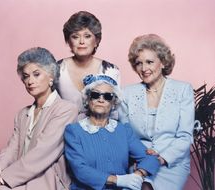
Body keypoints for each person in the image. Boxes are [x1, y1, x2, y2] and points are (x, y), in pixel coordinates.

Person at [0, 47, 78, 190]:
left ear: (51, 76)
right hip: (18, 176)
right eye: (26, 76)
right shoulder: (23, 114)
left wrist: (2, 177)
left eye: (36, 74)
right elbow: (12, 148)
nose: (30, 81)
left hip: (47, 178)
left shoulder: (66, 109)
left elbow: (43, 152)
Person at [118, 34, 195, 190]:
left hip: (172, 164)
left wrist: (160, 159)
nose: (144, 68)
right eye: (139, 63)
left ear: (163, 62)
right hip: (139, 161)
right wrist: (143, 157)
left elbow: (185, 137)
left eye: (149, 62)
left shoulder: (182, 90)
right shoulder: (127, 93)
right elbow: (126, 135)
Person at [64, 74, 160, 190]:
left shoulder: (123, 130)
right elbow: (80, 169)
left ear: (114, 102)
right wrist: (117, 180)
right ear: (88, 99)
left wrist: (138, 175)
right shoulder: (74, 131)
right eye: (95, 95)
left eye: (107, 96)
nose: (101, 99)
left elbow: (151, 157)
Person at [58, 11, 120, 119]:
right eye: (75, 36)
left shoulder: (111, 70)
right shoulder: (56, 69)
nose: (81, 41)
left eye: (87, 36)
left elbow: (115, 111)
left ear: (96, 40)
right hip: (63, 131)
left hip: (101, 131)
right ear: (68, 41)